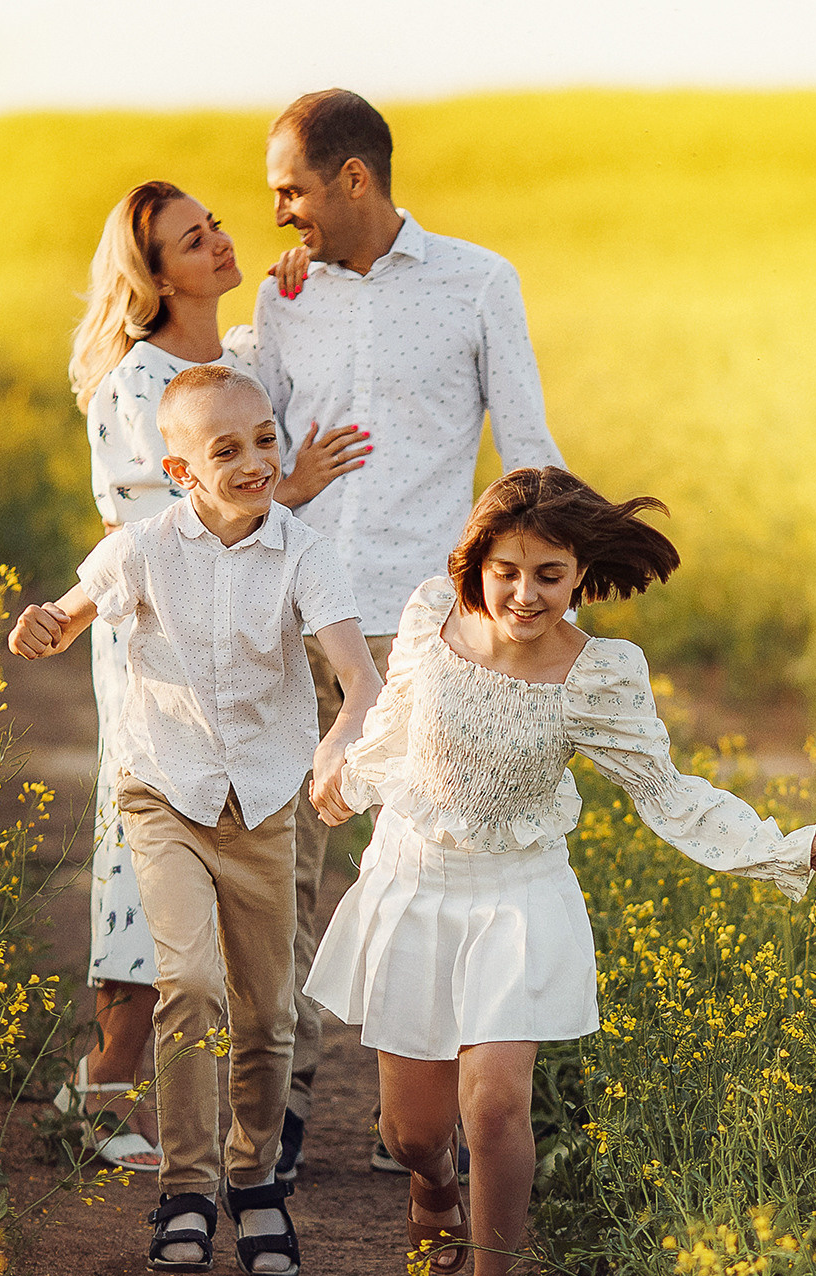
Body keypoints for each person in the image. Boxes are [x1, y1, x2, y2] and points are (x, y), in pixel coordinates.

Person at [305, 468, 816, 1276]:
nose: (525, 594)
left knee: (496, 1106)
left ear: (579, 573)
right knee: (412, 1131)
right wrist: (347, 776)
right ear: (476, 563)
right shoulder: (428, 620)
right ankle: (432, 1190)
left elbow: (667, 794)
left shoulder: (599, 674)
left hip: (518, 894)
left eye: (549, 575)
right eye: (508, 571)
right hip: (417, 878)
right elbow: (398, 728)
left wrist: (778, 846)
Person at [254, 89, 568, 1174]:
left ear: (354, 178)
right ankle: (278, 1120)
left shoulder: (479, 282)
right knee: (285, 875)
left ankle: (415, 1130)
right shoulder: (282, 298)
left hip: (418, 633)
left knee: (424, 879)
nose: (280, 213)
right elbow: (240, 447)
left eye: (291, 189)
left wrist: (557, 600)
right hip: (295, 619)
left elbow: (526, 443)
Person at [13, 363, 383, 1276]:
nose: (258, 460)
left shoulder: (304, 550)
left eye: (266, 439)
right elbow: (68, 613)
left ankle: (253, 1179)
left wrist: (340, 740)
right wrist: (45, 627)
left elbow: (360, 679)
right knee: (188, 981)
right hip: (165, 789)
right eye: (228, 449)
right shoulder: (142, 549)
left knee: (266, 1009)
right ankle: (187, 1188)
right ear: (180, 472)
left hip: (261, 798)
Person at [63, 179, 369, 1176]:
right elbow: (153, 529)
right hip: (162, 648)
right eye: (193, 242)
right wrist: (297, 485)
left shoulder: (237, 359)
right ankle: (100, 1086)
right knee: (144, 854)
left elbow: (274, 403)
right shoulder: (133, 384)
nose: (220, 243)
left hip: (256, 648)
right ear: (154, 277)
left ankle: (234, 1119)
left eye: (216, 227)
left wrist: (294, 290)